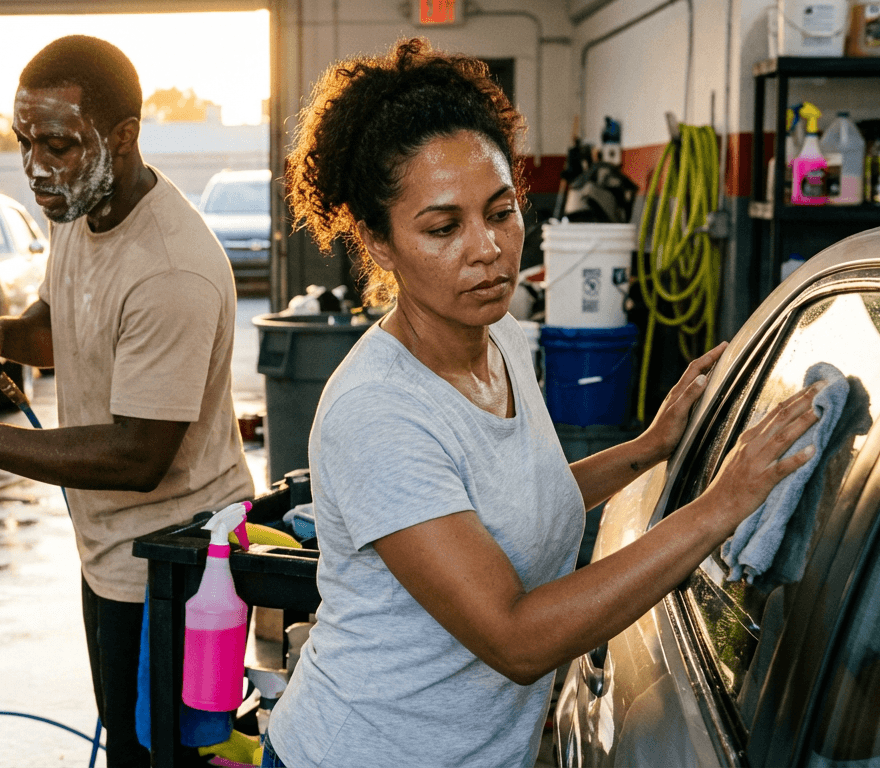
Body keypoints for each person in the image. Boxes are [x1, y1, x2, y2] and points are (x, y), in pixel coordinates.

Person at [261, 38, 821, 767]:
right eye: (443, 227)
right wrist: (722, 506)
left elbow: (515, 505)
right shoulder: (378, 412)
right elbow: (517, 639)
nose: (488, 248)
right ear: (378, 242)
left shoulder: (502, 337)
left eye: (501, 212)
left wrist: (645, 449)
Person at [0, 35, 255, 767]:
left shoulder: (171, 270)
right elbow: (60, 325)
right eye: (23, 141)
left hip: (177, 565)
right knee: (129, 738)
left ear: (123, 137)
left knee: (158, 755)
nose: (34, 167)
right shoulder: (77, 208)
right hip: (110, 550)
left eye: (57, 144)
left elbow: (137, 456)